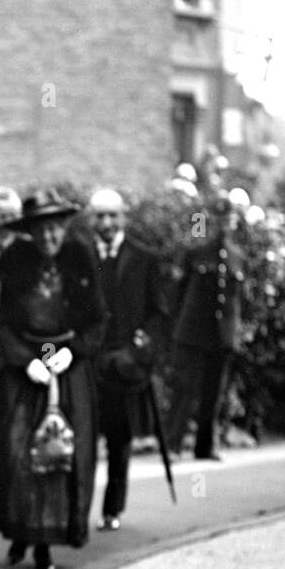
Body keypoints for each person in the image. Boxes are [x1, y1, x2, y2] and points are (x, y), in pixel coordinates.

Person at [0, 189, 104, 569]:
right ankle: (23, 533)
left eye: (55, 228)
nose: (49, 237)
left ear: (64, 227)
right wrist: (24, 361)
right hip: (26, 371)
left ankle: (48, 542)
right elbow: (3, 321)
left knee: (62, 454)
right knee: (20, 451)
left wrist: (76, 351)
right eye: (40, 230)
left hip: (68, 367)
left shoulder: (81, 257)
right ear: (30, 232)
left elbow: (97, 319)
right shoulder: (15, 260)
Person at [87, 188, 167, 530]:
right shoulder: (81, 255)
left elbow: (159, 313)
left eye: (112, 215)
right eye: (100, 216)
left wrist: (138, 350)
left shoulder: (144, 257)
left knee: (120, 440)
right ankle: (77, 513)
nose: (106, 222)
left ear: (123, 217)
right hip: (87, 361)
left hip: (123, 364)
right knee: (83, 439)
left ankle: (112, 510)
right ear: (91, 219)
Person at [163, 191, 247, 461]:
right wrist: (175, 328)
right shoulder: (195, 251)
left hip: (221, 334)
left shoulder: (237, 256)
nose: (224, 225)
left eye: (228, 220)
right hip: (193, 330)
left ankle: (205, 446)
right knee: (184, 389)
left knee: (214, 393)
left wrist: (234, 333)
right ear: (210, 221)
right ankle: (173, 444)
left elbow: (237, 300)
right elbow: (176, 293)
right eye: (219, 220)